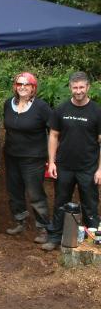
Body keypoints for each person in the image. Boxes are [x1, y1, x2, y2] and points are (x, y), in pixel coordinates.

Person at [42, 71, 101, 251]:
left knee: (90, 205)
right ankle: (55, 237)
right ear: (70, 88)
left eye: (81, 87)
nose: (78, 91)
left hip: (88, 168)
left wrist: (100, 169)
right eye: (75, 87)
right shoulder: (61, 109)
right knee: (60, 203)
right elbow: (53, 135)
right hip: (64, 167)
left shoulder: (97, 111)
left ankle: (93, 242)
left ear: (88, 87)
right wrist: (51, 162)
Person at [4, 72, 51, 244]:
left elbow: (53, 131)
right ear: (15, 87)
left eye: (27, 84)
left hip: (33, 158)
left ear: (33, 88)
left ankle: (43, 227)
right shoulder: (8, 104)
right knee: (14, 191)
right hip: (11, 156)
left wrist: (51, 157)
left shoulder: (41, 107)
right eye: (19, 84)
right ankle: (19, 221)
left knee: (35, 193)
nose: (22, 87)